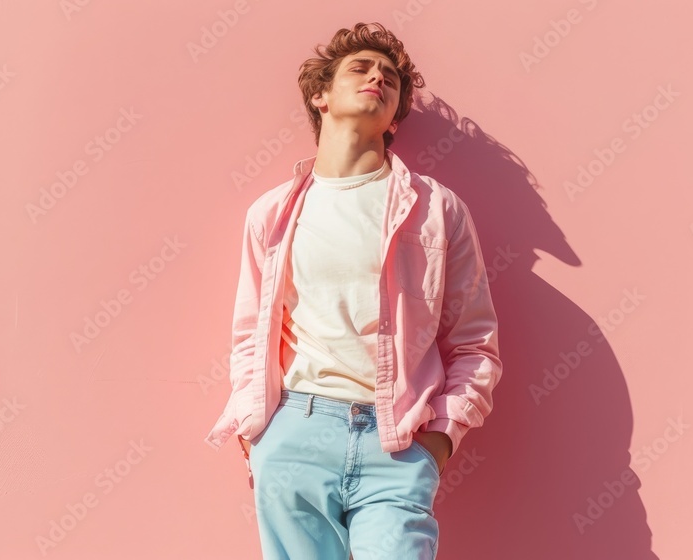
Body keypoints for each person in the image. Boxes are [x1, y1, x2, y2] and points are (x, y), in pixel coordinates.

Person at [204, 22, 502, 559]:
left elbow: (475, 343)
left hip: (400, 439)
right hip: (297, 428)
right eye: (361, 69)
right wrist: (258, 432)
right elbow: (250, 336)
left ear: (395, 116)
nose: (378, 77)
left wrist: (439, 440)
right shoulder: (272, 214)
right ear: (321, 95)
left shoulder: (435, 209)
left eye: (390, 76)